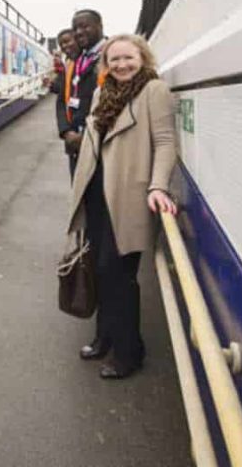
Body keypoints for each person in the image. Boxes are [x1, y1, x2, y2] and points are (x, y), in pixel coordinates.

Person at [65, 34, 178, 379]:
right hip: (97, 192)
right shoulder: (103, 92)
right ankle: (104, 337)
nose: (121, 65)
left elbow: (165, 141)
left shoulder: (154, 91)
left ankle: (129, 352)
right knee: (99, 269)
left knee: (120, 275)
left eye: (128, 58)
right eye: (114, 60)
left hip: (129, 194)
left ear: (142, 57)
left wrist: (158, 185)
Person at [61, 9, 106, 176]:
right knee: (79, 197)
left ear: (100, 26)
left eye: (85, 26)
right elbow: (61, 100)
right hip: (74, 143)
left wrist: (88, 136)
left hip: (101, 146)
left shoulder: (113, 55)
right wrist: (66, 132)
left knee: (99, 199)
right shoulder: (75, 60)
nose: (79, 32)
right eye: (75, 28)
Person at [52, 27, 80, 134]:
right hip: (72, 126)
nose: (64, 46)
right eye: (61, 44)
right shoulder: (69, 64)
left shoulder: (89, 62)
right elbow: (62, 96)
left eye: (68, 41)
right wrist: (65, 130)